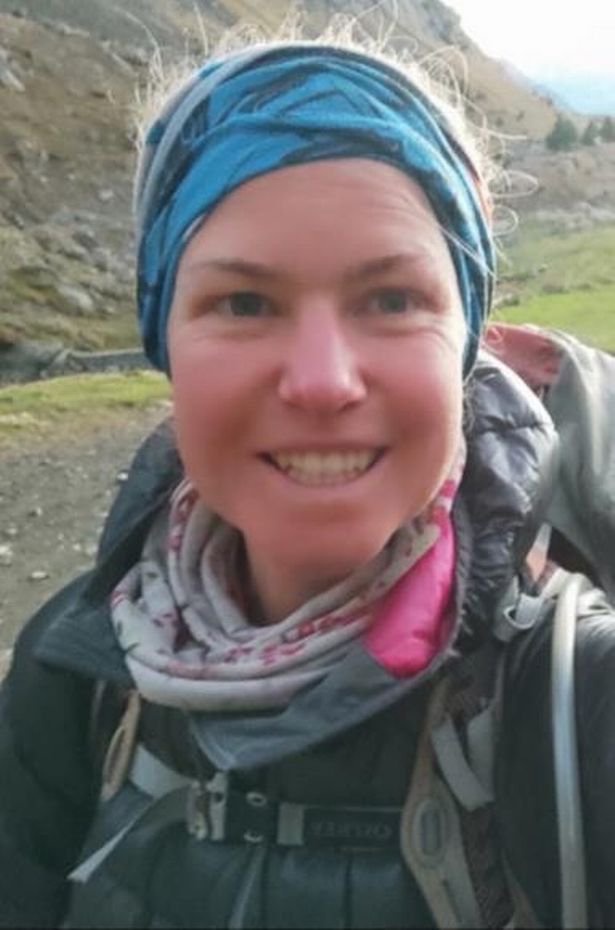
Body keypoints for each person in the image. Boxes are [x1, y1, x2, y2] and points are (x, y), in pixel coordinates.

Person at [1, 36, 615, 930]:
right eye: (244, 304)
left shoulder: (578, 700)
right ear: (163, 337)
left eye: (391, 300)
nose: (323, 382)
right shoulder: (71, 671)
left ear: (466, 338)